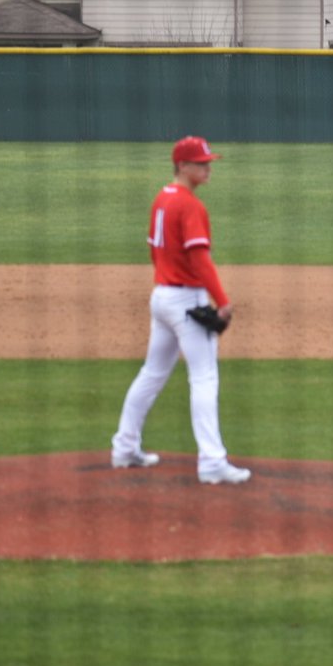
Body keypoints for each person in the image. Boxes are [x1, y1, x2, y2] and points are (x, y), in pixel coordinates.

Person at [111, 136, 251, 485]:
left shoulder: (162, 199)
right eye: (201, 163)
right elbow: (199, 258)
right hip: (188, 301)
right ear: (182, 166)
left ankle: (124, 448)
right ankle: (212, 461)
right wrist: (221, 300)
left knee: (152, 373)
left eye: (208, 162)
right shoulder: (189, 206)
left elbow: (154, 251)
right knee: (203, 378)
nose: (207, 168)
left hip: (162, 296)